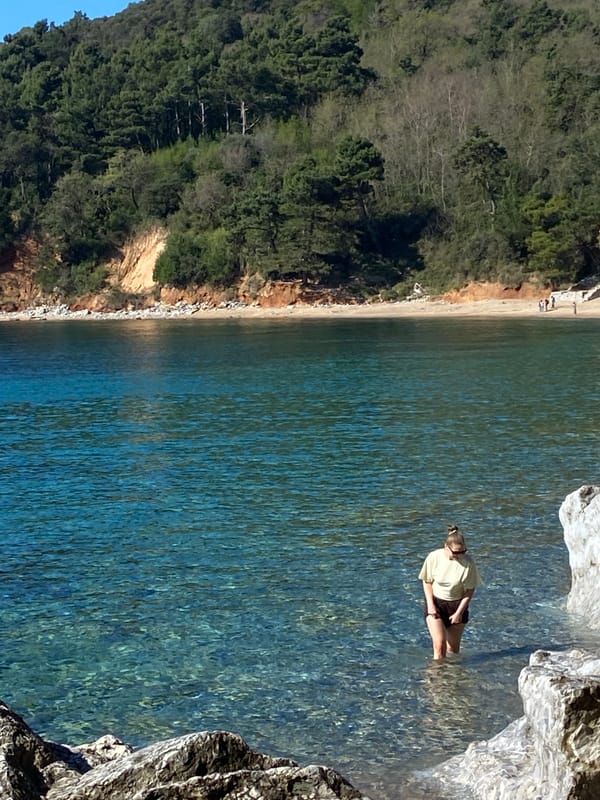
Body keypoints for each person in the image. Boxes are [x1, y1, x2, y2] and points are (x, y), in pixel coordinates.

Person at [418, 524, 482, 659]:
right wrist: (431, 605)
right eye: (456, 552)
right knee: (439, 645)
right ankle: (436, 678)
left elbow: (470, 590)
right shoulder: (433, 557)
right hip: (436, 603)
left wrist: (459, 612)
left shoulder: (468, 563)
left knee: (453, 650)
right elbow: (427, 581)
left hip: (457, 605)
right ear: (446, 548)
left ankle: (452, 677)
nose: (460, 555)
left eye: (463, 552)